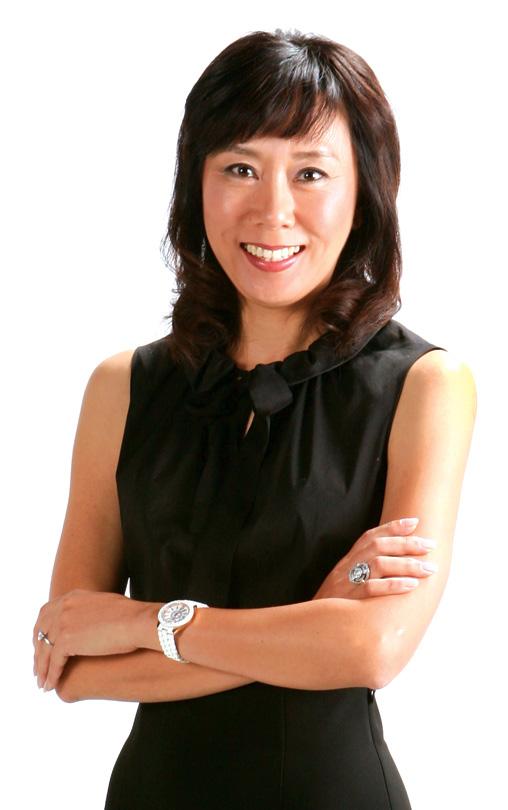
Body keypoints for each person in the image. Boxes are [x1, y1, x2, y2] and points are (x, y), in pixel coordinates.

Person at [32, 28, 476, 809]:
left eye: (311, 173)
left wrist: (139, 623)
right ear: (194, 184)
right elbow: (67, 662)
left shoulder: (426, 385)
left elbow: (371, 648)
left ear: (365, 193)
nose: (273, 211)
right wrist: (309, 626)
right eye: (240, 168)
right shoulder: (122, 387)